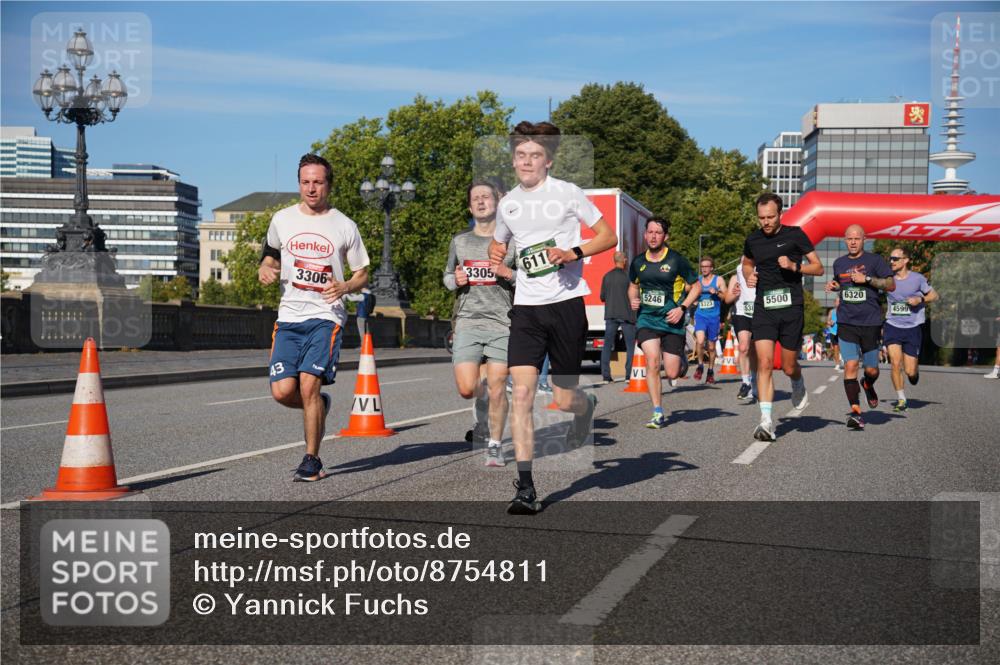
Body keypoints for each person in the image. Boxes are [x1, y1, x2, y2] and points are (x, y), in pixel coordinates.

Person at [488, 120, 617, 515]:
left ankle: (585, 406)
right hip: (526, 309)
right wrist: (497, 255)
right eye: (521, 155)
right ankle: (525, 487)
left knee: (562, 398)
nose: (527, 162)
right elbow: (499, 241)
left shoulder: (567, 193)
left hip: (566, 305)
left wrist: (573, 253)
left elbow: (608, 236)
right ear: (514, 160)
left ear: (548, 161)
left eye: (535, 155)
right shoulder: (508, 202)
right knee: (522, 395)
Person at [258, 154, 370, 482]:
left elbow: (362, 272)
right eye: (306, 182)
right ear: (299, 184)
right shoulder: (282, 219)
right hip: (289, 316)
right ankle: (319, 404)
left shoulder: (344, 225)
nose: (311, 188)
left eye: (318, 182)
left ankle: (312, 459)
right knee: (282, 391)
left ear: (328, 185)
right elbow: (270, 252)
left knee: (307, 384)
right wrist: (265, 266)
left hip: (326, 316)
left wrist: (346, 285)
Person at [444, 181, 516, 466]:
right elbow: (448, 275)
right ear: (469, 206)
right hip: (468, 322)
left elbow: (527, 278)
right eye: (476, 198)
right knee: (466, 388)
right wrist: (455, 280)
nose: (481, 201)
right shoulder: (460, 241)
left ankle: (495, 445)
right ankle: (489, 396)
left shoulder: (512, 242)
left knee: (497, 385)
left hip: (502, 323)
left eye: (486, 197)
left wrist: (506, 272)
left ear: (497, 203)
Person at [742, 192, 824, 442]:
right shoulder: (753, 239)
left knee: (788, 366)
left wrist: (794, 266)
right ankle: (766, 422)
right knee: (765, 363)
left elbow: (818, 268)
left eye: (770, 217)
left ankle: (797, 381)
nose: (765, 222)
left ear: (780, 214)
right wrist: (748, 275)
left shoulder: (795, 235)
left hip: (791, 308)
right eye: (761, 218)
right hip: (764, 307)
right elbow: (746, 263)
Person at [628, 217, 701, 428]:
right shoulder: (638, 262)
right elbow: (633, 286)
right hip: (647, 318)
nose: (653, 236)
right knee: (651, 361)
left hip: (672, 320)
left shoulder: (676, 260)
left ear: (665, 236)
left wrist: (682, 308)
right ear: (645, 235)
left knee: (671, 372)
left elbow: (695, 287)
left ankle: (681, 362)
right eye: (649, 232)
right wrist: (632, 299)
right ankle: (657, 412)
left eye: (657, 233)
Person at [825, 224, 894, 430]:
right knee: (851, 365)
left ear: (864, 239)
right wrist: (834, 286)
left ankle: (868, 384)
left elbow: (890, 285)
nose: (853, 242)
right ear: (845, 241)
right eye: (849, 239)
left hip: (870, 322)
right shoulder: (839, 263)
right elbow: (841, 285)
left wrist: (868, 279)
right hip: (847, 322)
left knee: (872, 369)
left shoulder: (875, 261)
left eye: (857, 238)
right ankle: (855, 412)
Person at [883, 247, 937, 411]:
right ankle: (901, 399)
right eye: (890, 259)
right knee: (895, 363)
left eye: (895, 258)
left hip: (913, 327)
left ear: (905, 260)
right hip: (892, 325)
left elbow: (935, 295)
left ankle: (914, 372)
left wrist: (920, 299)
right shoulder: (887, 279)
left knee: (910, 371)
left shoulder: (918, 279)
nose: (891, 261)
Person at [600, 252, 636, 383]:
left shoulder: (607, 276)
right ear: (624, 260)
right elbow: (635, 295)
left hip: (610, 314)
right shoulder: (629, 277)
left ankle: (606, 376)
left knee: (607, 345)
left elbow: (602, 297)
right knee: (630, 345)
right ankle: (629, 375)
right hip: (627, 315)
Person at [725, 256, 756, 402]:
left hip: (759, 314)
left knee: (755, 351)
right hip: (741, 313)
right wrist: (734, 293)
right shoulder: (735, 277)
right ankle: (745, 382)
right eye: (742, 261)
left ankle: (755, 381)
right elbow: (727, 299)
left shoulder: (760, 272)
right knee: (743, 347)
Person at [691, 256, 725, 385]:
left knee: (711, 347)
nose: (704, 269)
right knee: (700, 341)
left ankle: (710, 371)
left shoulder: (718, 280)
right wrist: (694, 299)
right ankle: (700, 365)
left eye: (706, 266)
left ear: (712, 268)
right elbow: (691, 293)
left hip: (714, 317)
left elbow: (725, 296)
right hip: (700, 315)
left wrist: (716, 292)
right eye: (702, 267)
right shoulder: (697, 280)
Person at [826, 304, 842, 371]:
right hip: (833, 331)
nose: (838, 303)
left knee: (842, 346)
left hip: (843, 331)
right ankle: (837, 364)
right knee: (835, 348)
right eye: (836, 302)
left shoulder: (845, 311)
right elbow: (828, 321)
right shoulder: (832, 311)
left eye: (839, 301)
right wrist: (830, 322)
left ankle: (843, 359)